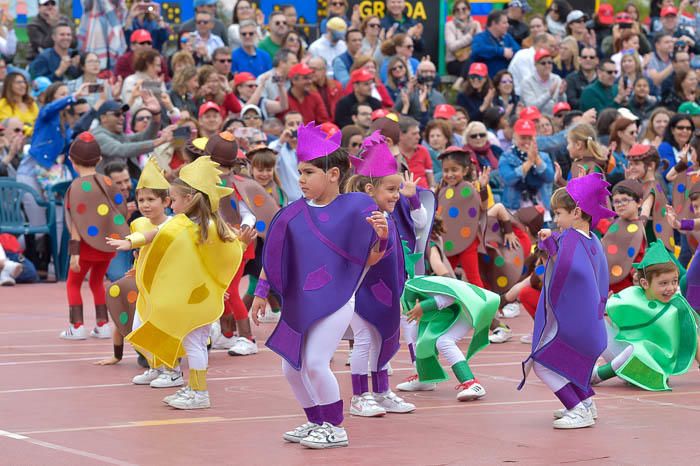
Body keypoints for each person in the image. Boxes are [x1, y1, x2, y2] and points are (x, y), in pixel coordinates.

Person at [249, 122, 392, 448]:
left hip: (338, 299)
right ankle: (315, 420)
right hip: (300, 302)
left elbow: (368, 260)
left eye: (309, 172)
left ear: (333, 174)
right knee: (290, 367)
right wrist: (260, 295)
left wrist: (382, 239)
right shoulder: (290, 214)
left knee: (314, 362)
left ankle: (335, 427)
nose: (300, 179)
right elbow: (273, 257)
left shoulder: (359, 207)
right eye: (299, 172)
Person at [108, 156, 253, 409]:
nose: (171, 204)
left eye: (173, 200)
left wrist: (239, 247)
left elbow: (225, 258)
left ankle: (199, 393)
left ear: (189, 199)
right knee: (190, 341)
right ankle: (192, 388)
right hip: (190, 299)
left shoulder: (208, 227)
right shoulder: (181, 224)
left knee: (195, 343)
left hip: (197, 300)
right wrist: (131, 242)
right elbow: (155, 234)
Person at [521, 173, 615, 429]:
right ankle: (586, 404)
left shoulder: (572, 239)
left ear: (576, 212)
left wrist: (552, 243)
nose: (556, 219)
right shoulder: (593, 239)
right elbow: (576, 265)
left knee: (542, 364)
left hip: (571, 322)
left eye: (559, 213)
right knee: (567, 362)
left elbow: (566, 269)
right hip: (589, 324)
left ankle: (577, 408)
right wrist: (551, 241)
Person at [344, 133, 416, 417]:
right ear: (370, 188)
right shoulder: (365, 218)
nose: (396, 196)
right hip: (362, 291)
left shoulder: (387, 215)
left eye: (397, 190)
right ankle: (360, 395)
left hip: (387, 291)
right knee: (364, 339)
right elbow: (364, 256)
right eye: (390, 190)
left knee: (383, 338)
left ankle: (381, 391)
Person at [204, 132, 279, 355]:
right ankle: (227, 334)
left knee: (232, 291)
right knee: (222, 291)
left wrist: (240, 232)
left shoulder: (237, 184)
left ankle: (247, 337)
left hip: (237, 246)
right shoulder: (208, 183)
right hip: (216, 245)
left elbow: (249, 212)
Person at [97, 157, 172, 367]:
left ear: (166, 202)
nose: (145, 204)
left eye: (151, 200)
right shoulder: (135, 220)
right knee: (120, 293)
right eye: (142, 201)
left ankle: (171, 367)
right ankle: (149, 359)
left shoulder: (175, 224)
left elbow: (155, 236)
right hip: (130, 261)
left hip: (167, 283)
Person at [594, 241, 698, 390]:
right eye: (663, 283)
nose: (671, 288)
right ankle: (629, 372)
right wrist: (604, 307)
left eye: (674, 281)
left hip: (655, 365)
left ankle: (597, 375)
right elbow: (615, 319)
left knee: (637, 348)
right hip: (627, 356)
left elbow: (694, 335)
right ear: (644, 283)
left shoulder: (677, 306)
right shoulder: (633, 296)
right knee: (597, 321)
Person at [61, 132, 130, 340]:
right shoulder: (108, 182)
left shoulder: (75, 187)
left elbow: (75, 223)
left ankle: (77, 326)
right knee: (97, 282)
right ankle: (102, 324)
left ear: (72, 161)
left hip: (85, 247)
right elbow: (121, 208)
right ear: (99, 160)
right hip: (106, 245)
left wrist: (74, 253)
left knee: (73, 283)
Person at [402, 272, 499, 401]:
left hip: (467, 308)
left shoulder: (416, 283)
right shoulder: (403, 287)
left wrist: (424, 306)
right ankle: (425, 378)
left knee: (444, 341)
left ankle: (472, 383)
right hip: (453, 310)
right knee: (418, 335)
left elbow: (451, 297)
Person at [93, 97, 173, 178]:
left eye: (123, 114)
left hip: (124, 185)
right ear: (103, 118)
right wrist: (159, 141)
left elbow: (146, 137)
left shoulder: (118, 135)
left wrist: (156, 115)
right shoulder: (98, 135)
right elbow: (121, 149)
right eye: (117, 114)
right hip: (106, 187)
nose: (122, 118)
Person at [498, 119, 555, 214]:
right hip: (515, 208)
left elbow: (550, 177)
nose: (527, 141)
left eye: (530, 138)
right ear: (515, 136)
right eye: (523, 138)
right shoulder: (506, 157)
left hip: (541, 208)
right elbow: (507, 179)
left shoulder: (543, 156)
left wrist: (537, 160)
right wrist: (529, 163)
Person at [601, 179, 645, 293]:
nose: (620, 205)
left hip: (624, 289)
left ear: (639, 203)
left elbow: (639, 259)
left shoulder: (638, 230)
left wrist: (636, 275)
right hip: (603, 284)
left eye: (625, 200)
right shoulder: (615, 223)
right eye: (616, 201)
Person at [395, 60, 446, 126]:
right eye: (425, 72)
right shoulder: (408, 91)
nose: (429, 74)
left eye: (432, 72)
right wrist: (408, 94)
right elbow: (396, 112)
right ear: (417, 73)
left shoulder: (439, 96)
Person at [470, 10, 520, 78]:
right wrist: (501, 52)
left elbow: (518, 51)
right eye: (504, 23)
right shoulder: (480, 37)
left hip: (505, 81)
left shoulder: (507, 37)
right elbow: (477, 50)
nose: (507, 25)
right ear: (494, 24)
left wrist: (510, 53)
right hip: (487, 81)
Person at [269, 111, 304, 202]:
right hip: (288, 202)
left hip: (309, 200)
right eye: (291, 124)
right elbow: (269, 162)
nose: (295, 127)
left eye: (298, 123)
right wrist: (281, 142)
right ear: (284, 127)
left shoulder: (311, 146)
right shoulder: (276, 145)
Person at [520, 48, 566, 115]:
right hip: (535, 119)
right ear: (535, 65)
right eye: (543, 63)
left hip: (554, 119)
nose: (547, 66)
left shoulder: (556, 79)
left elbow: (563, 107)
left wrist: (561, 95)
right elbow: (531, 108)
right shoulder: (527, 82)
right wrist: (549, 94)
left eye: (549, 63)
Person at [445, 0, 482, 76]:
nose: (460, 11)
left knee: (478, 63)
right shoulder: (450, 25)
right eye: (457, 10)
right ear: (454, 12)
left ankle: (460, 81)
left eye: (464, 9)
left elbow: (480, 44)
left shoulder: (475, 24)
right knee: (472, 67)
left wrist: (469, 53)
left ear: (469, 10)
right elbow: (452, 46)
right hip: (455, 61)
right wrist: (470, 36)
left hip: (472, 58)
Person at [398, 117, 434, 189]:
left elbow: (430, 175)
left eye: (418, 133)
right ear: (401, 135)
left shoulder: (423, 151)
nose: (418, 137)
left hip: (424, 195)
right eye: (414, 134)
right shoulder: (393, 154)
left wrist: (432, 189)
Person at [309, 57, 343, 123]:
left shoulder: (336, 86)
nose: (311, 72)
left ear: (324, 70)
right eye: (310, 69)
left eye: (315, 69)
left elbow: (341, 109)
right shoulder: (307, 90)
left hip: (336, 124)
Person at [564, 46, 598, 110]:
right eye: (584, 57)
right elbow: (571, 102)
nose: (588, 59)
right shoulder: (571, 79)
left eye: (592, 57)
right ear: (579, 60)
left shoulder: (601, 79)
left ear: (597, 60)